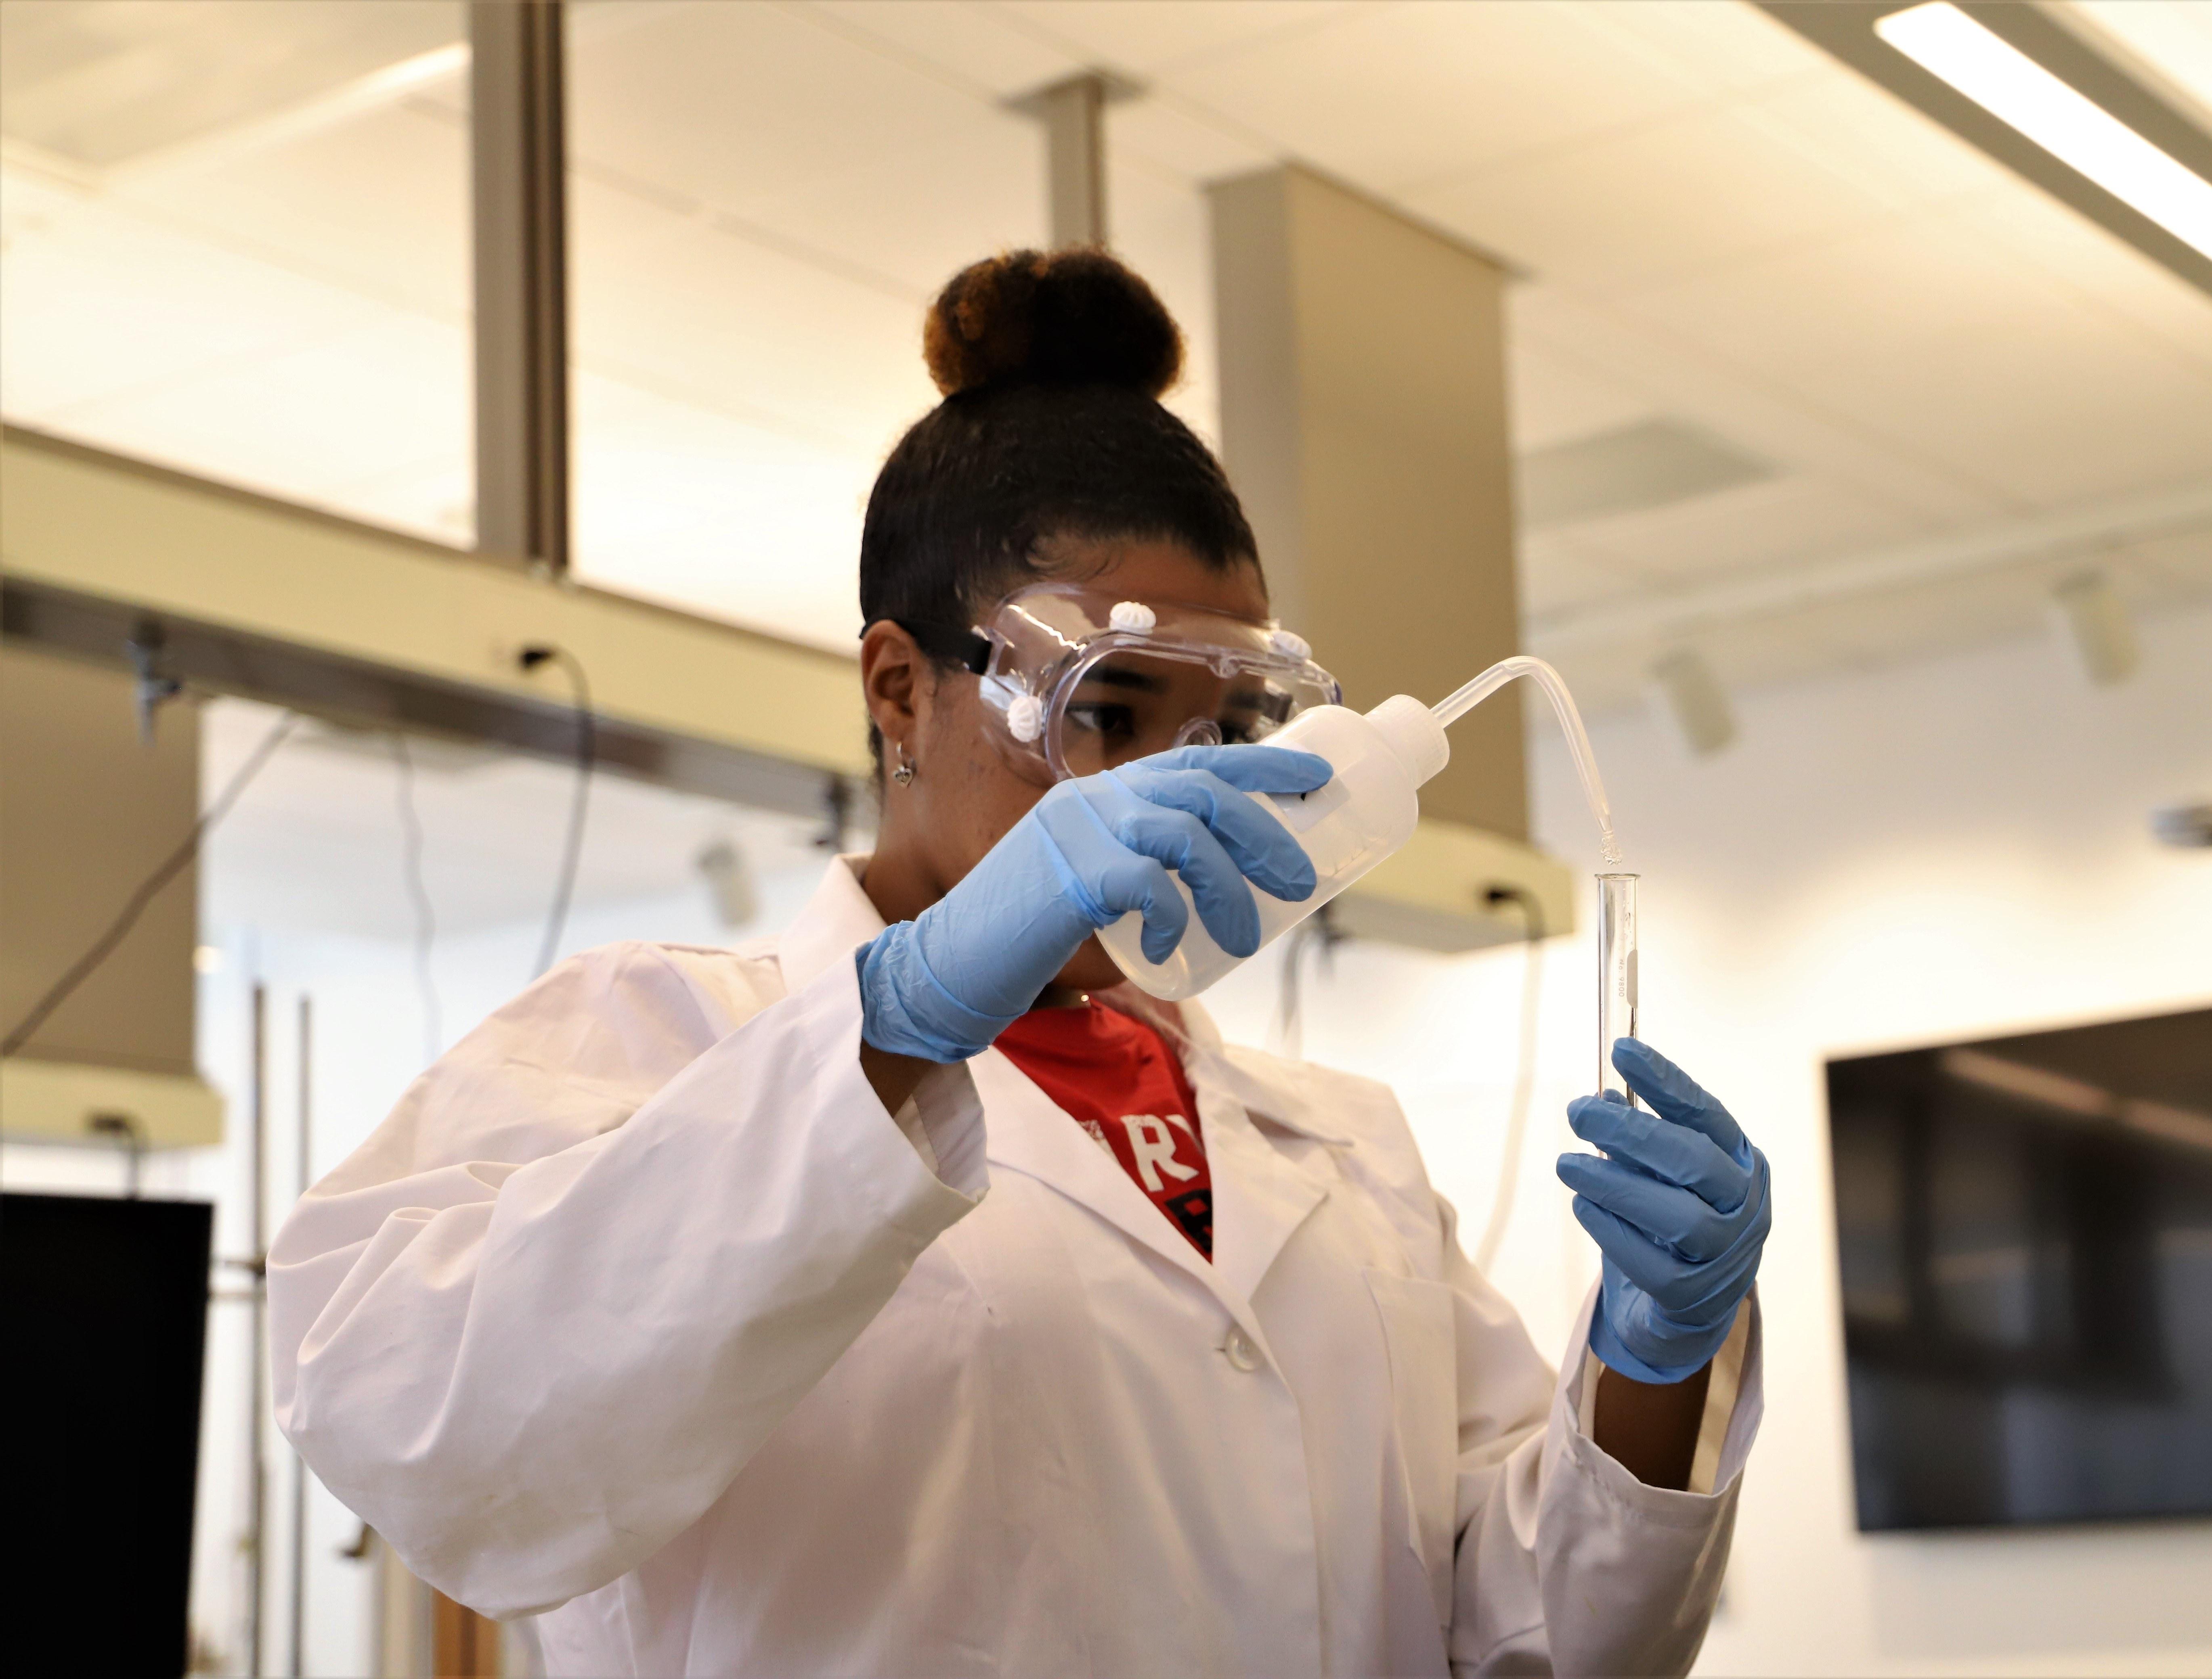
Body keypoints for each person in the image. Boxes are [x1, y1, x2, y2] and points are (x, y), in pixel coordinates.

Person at [269, 249, 1772, 1677]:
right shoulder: (649, 1042)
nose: (1173, 789)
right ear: (901, 689)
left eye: (1221, 732)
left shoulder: (1349, 1150)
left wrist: (1652, 1366)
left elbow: (1525, 1644)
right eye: (1105, 713)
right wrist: (903, 1023)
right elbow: (428, 1436)